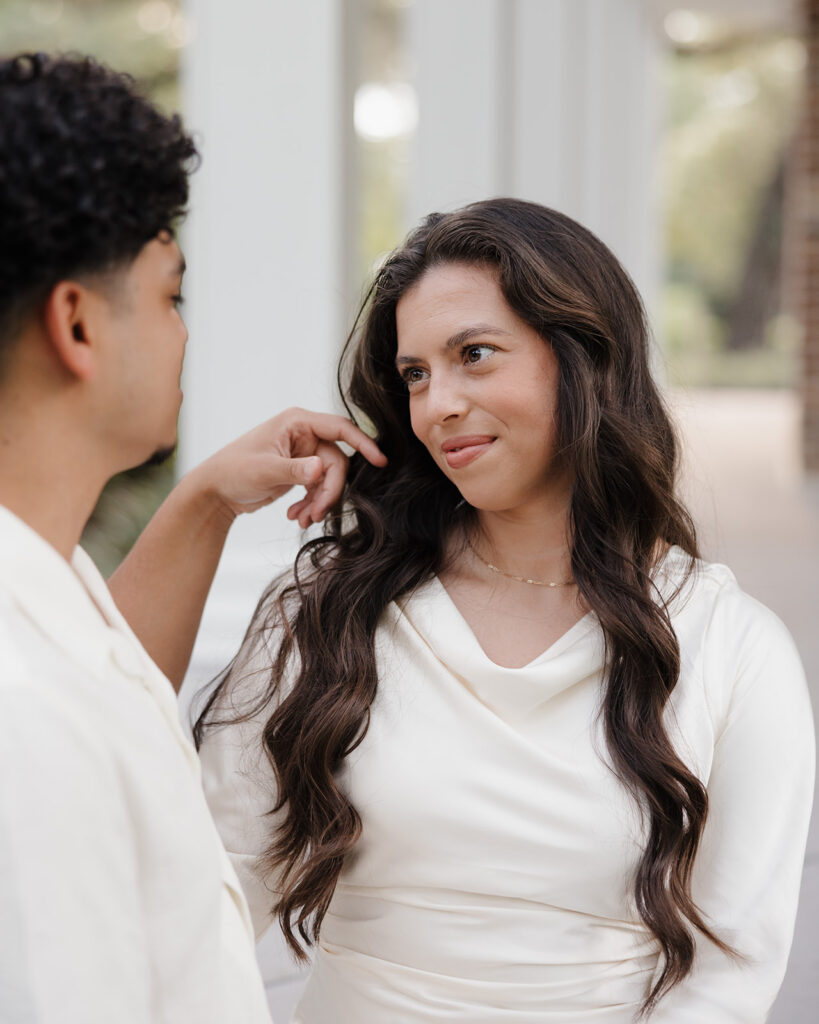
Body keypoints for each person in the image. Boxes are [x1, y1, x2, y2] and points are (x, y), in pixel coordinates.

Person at [195, 198, 816, 1023]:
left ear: (582, 361)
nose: (436, 405)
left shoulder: (733, 648)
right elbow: (207, 897)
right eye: (415, 374)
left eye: (474, 355)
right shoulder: (331, 609)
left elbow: (729, 974)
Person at [0, 52, 385, 1024]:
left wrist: (207, 499)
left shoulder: (41, 572)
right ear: (77, 324)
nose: (184, 333)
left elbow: (108, 676)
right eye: (172, 294)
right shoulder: (23, 719)